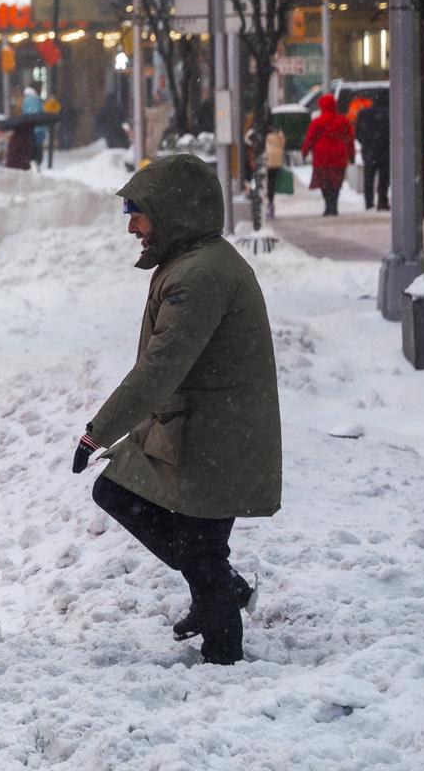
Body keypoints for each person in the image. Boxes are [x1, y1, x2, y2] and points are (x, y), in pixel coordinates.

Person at [72, 154, 280, 666]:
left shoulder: (199, 275)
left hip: (215, 435)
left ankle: (224, 658)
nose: (132, 227)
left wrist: (99, 431)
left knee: (202, 551)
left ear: (171, 212)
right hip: (195, 429)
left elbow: (160, 367)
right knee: (118, 492)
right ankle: (220, 593)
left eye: (137, 213)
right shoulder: (193, 263)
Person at [300, 93, 353, 216]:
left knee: (324, 182)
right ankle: (334, 204)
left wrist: (305, 151)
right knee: (336, 182)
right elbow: (349, 138)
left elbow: (310, 138)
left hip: (322, 156)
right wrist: (351, 154)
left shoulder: (317, 122)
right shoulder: (343, 120)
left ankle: (328, 205)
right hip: (339, 156)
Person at [354, 96, 389, 211]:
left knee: (368, 177)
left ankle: (369, 202)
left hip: (369, 150)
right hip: (384, 150)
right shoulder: (388, 113)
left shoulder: (364, 113)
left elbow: (357, 131)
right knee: (384, 178)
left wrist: (365, 142)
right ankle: (382, 201)